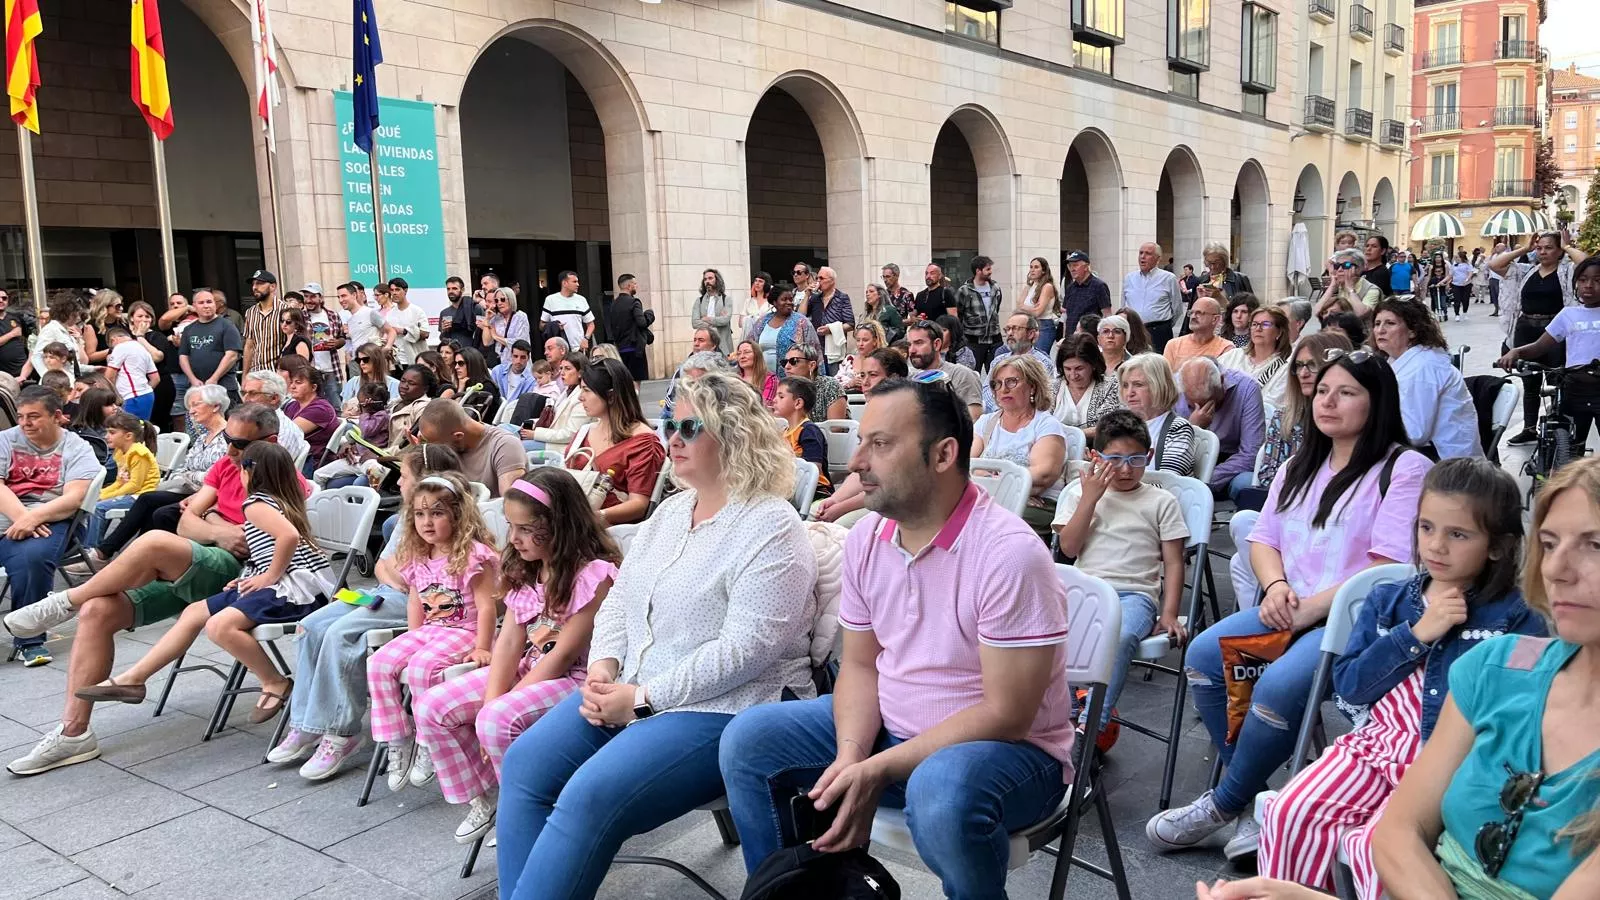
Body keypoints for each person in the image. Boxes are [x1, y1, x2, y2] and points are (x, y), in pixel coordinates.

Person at [720, 376, 1075, 899]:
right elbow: (861, 667)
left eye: (880, 444)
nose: (857, 460)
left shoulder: (1008, 553)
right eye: (861, 441)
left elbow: (1007, 714)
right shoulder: (867, 538)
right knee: (749, 742)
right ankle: (796, 893)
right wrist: (850, 754)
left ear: (943, 454)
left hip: (1007, 753)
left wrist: (876, 768)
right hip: (894, 726)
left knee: (942, 794)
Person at [496, 371, 819, 900]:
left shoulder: (771, 525)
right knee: (526, 765)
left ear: (733, 433)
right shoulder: (671, 512)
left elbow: (748, 650)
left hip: (726, 707)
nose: (673, 438)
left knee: (588, 796)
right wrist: (603, 665)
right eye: (672, 423)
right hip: (633, 689)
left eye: (690, 427)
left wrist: (642, 700)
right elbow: (622, 599)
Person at [1148, 350, 1432, 861]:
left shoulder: (1404, 468)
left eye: (1346, 392)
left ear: (1378, 401)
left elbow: (1389, 566)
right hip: (1286, 607)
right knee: (1205, 659)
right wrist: (1276, 586)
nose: (1328, 401)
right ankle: (1257, 800)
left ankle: (1225, 802)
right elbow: (1263, 538)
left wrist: (1307, 610)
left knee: (1276, 686)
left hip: (1355, 624)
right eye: (1323, 390)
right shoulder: (1303, 463)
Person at [1259, 459, 1541, 899]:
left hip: (1445, 763)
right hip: (1372, 747)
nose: (1436, 546)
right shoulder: (1388, 600)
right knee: (1290, 812)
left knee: (1377, 849)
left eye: (1458, 534)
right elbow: (1349, 686)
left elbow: (1524, 715)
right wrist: (1416, 635)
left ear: (1498, 547)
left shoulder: (1517, 621)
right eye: (1426, 528)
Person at [2, 403, 303, 772]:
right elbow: (186, 522)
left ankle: (65, 602)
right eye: (226, 440)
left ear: (270, 442)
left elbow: (259, 537)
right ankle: (74, 732)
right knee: (98, 610)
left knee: (155, 542)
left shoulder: (279, 476)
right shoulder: (227, 466)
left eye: (239, 444)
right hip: (195, 558)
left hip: (237, 572)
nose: (229, 451)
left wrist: (205, 519)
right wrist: (219, 528)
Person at [1372, 457, 1600, 899]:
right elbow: (1398, 830)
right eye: (1550, 544)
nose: (1556, 569)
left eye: (1596, 545)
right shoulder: (1495, 666)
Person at [414, 468, 621, 844]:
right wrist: (492, 701)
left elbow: (561, 655)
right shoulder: (529, 569)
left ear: (560, 524)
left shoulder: (594, 576)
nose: (514, 538)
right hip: (532, 667)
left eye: (525, 528)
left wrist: (495, 710)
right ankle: (489, 797)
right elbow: (509, 642)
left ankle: (526, 810)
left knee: (497, 719)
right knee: (431, 707)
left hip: (575, 680)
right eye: (511, 526)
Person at [74, 441, 333, 722]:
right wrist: (251, 577)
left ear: (250, 472)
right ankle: (134, 679)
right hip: (289, 583)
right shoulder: (277, 502)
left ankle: (274, 681)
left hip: (293, 590)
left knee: (219, 626)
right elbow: (269, 549)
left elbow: (288, 538)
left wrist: (268, 576)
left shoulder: (257, 504)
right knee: (194, 611)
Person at [265, 445, 461, 780]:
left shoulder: (439, 522)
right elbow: (384, 567)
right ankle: (307, 723)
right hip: (385, 592)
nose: (398, 482)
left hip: (418, 601)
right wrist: (390, 573)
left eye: (406, 475)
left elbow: (408, 578)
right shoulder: (407, 516)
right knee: (311, 626)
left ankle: (342, 732)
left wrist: (395, 574)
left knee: (342, 634)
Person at [367, 471, 500, 793]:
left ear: (458, 514)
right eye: (420, 514)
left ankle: (428, 742)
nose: (427, 522)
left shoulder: (471, 556)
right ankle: (399, 736)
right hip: (431, 630)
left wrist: (483, 646)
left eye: (437, 513)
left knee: (424, 667)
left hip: (465, 630)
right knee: (379, 663)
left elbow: (486, 607)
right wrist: (413, 638)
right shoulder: (418, 554)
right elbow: (415, 600)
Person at [1054, 407, 1188, 726]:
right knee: (1053, 627)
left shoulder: (1160, 501)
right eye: (1114, 460)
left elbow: (1174, 561)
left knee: (1122, 634)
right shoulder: (1079, 494)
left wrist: (1168, 613)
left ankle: (1093, 720)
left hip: (1135, 595)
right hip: (1087, 592)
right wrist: (1089, 500)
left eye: (1136, 459)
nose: (1126, 470)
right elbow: (1069, 548)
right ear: (1094, 456)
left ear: (1149, 455)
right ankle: (1067, 708)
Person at [0, 387, 104, 665]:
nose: (25, 423)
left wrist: (36, 518)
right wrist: (25, 517)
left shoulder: (76, 447)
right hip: (13, 515)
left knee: (32, 558)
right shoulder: (5, 441)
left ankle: (30, 639)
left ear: (57, 416)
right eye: (21, 416)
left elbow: (75, 498)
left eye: (34, 416)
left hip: (55, 520)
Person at [1235, 332, 1354, 510]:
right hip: (1289, 503)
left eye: (1312, 365)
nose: (1304, 373)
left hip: (1343, 505)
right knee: (1243, 519)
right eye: (1299, 366)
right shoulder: (1284, 417)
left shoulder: (1352, 418)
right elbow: (1268, 474)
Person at [1494, 233, 1589, 445]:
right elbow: (1495, 264)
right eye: (1539, 248)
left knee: (1558, 381)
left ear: (1558, 252)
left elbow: (1585, 262)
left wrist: (1568, 246)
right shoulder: (1527, 271)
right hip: (1526, 327)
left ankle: (1558, 429)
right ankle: (1529, 429)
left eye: (1548, 248)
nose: (1543, 252)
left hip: (1554, 332)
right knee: (1530, 382)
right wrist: (1523, 250)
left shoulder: (1566, 272)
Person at [1370, 298, 1481, 460]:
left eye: (1390, 323)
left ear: (1412, 330)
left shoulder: (1423, 367)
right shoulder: (1400, 361)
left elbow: (1415, 433)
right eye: (1377, 323)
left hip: (1445, 464)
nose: (1380, 330)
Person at [563, 358, 665, 525]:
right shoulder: (584, 432)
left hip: (609, 533)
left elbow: (639, 504)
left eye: (587, 390)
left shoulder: (643, 442)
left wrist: (593, 518)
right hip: (575, 523)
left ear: (610, 396)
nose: (580, 397)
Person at [973, 355, 1067, 537]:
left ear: (1032, 386)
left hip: (1037, 504)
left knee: (982, 522)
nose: (1003, 389)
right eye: (997, 384)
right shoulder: (985, 423)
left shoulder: (1046, 425)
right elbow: (966, 469)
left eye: (1011, 382)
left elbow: (1044, 474)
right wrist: (1015, 489)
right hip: (991, 501)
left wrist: (990, 478)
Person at [1177, 356, 1266, 499]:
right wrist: (1193, 429)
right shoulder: (1178, 385)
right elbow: (1170, 447)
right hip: (1188, 458)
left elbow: (1251, 453)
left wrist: (1206, 479)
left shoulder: (1247, 388)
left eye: (1207, 402)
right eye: (1191, 404)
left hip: (1231, 462)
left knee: (1246, 483)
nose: (1199, 409)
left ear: (1222, 382)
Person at [416, 399, 527, 498]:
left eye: (435, 445)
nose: (432, 449)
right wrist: (419, 457)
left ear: (458, 436)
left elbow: (511, 503)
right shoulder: (449, 444)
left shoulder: (505, 446)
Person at [83, 412, 158, 549]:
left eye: (111, 432)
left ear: (128, 436)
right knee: (93, 502)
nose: (106, 436)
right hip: (130, 493)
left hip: (140, 496)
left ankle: (91, 549)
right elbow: (119, 482)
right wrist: (100, 494)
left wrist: (104, 497)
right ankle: (92, 545)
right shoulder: (120, 452)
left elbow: (135, 485)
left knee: (99, 508)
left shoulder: (138, 454)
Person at [1120, 352, 1196, 478]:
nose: (1129, 393)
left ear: (1159, 386)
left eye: (1138, 385)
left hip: (1159, 496)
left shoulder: (1178, 428)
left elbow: (1167, 482)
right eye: (1125, 385)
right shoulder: (1121, 424)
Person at [312, 382, 390, 488]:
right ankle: (320, 500)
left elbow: (366, 430)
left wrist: (365, 412)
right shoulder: (366, 417)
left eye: (361, 403)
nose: (359, 406)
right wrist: (349, 444)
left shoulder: (382, 416)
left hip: (369, 459)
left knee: (373, 469)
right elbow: (357, 435)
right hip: (356, 458)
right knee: (319, 475)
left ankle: (374, 492)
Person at [178, 288, 243, 409]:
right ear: (194, 306)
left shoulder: (227, 325)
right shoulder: (189, 329)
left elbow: (232, 355)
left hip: (223, 387)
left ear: (215, 304)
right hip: (197, 389)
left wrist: (214, 378)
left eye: (209, 302)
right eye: (201, 303)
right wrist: (192, 379)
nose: (206, 306)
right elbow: (183, 356)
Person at [906, 320, 982, 420]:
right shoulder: (908, 378)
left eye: (918, 343)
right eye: (909, 345)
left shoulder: (960, 375)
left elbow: (973, 420)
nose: (912, 350)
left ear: (936, 344)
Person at [981, 312, 1056, 413]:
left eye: (1016, 328)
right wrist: (1001, 409)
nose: (1010, 333)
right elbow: (987, 390)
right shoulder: (998, 360)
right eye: (1007, 329)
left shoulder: (1042, 363)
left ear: (1031, 334)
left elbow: (1045, 395)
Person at [1219, 306, 1292, 409]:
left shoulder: (1284, 370)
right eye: (1254, 324)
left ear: (1279, 332)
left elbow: (1271, 407)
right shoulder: (1233, 355)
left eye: (1265, 324)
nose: (1258, 329)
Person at [772, 377, 832, 499]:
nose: (774, 400)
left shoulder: (808, 431)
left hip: (815, 493)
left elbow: (812, 470)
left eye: (781, 397)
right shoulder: (783, 432)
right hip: (790, 490)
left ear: (798, 403)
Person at [278, 357, 339, 475]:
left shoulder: (320, 409)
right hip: (293, 457)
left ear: (313, 387)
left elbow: (288, 434)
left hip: (310, 463)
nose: (292, 387)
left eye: (298, 383)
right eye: (291, 383)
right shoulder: (293, 405)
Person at [519, 357, 591, 455]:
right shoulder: (567, 391)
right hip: (549, 437)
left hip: (561, 447)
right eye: (561, 368)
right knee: (505, 429)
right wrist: (532, 423)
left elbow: (570, 435)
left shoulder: (582, 397)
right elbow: (554, 418)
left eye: (567, 368)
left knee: (518, 446)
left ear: (580, 373)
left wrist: (535, 434)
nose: (562, 372)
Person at [1053, 333, 1120, 437]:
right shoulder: (1053, 387)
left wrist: (1069, 434)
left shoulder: (1110, 387)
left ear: (1093, 364)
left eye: (1079, 368)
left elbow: (1109, 425)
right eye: (1067, 369)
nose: (1073, 375)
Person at [1124, 242, 1184, 350]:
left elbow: (1177, 308)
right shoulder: (1129, 278)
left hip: (1159, 332)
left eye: (1148, 253)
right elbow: (1124, 305)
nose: (1143, 256)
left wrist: (1163, 325)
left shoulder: (1168, 278)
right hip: (1133, 331)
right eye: (1141, 253)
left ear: (1158, 258)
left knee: (1158, 364)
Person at [954, 255, 1003, 370]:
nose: (991, 272)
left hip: (995, 339)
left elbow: (997, 308)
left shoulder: (995, 287)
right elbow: (958, 314)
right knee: (973, 373)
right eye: (988, 269)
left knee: (996, 373)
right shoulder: (964, 290)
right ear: (978, 271)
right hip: (973, 341)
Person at [101, 325, 158, 421]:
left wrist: (112, 399)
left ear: (113, 340)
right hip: (147, 395)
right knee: (141, 429)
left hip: (131, 398)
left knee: (127, 430)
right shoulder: (142, 348)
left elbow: (109, 377)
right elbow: (155, 378)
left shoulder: (120, 347)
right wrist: (142, 392)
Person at [780, 343, 849, 421]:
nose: (787, 367)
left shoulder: (830, 386)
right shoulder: (785, 390)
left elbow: (836, 428)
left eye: (794, 361)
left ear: (812, 365)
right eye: (785, 362)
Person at [1164, 297, 1234, 371]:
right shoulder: (1173, 345)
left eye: (1199, 313)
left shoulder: (1226, 348)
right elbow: (1165, 379)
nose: (1193, 317)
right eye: (1191, 313)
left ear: (1215, 319)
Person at [604, 274, 651, 382]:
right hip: (635, 348)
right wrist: (649, 315)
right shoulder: (634, 302)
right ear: (629, 286)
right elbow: (642, 323)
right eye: (635, 284)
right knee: (636, 381)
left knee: (625, 381)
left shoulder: (614, 304)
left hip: (620, 348)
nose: (636, 286)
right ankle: (635, 399)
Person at [1060, 249, 1113, 338]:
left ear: (1086, 267)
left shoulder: (1099, 286)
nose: (1072, 269)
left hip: (1089, 339)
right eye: (1070, 266)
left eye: (1076, 265)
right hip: (1071, 338)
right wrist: (1064, 339)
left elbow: (1107, 315)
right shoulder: (1070, 288)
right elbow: (1066, 316)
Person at [1319, 248, 1383, 320]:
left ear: (1359, 269)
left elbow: (1360, 313)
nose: (1339, 269)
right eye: (1337, 265)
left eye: (1346, 265)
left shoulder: (1371, 290)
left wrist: (1350, 289)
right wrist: (1332, 287)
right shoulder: (1338, 287)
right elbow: (1318, 311)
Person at [241, 270, 283, 375]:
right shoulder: (250, 312)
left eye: (260, 283)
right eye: (253, 284)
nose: (255, 287)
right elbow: (249, 346)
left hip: (278, 373)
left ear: (272, 286)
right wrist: (245, 376)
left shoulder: (286, 310)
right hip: (257, 373)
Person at [541, 271, 595, 354]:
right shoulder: (550, 300)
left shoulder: (581, 300)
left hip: (578, 349)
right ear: (564, 283)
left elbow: (591, 324)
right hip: (557, 350)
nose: (578, 284)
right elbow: (541, 325)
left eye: (577, 281)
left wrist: (586, 339)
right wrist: (555, 326)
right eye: (574, 282)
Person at [478, 286, 530, 367]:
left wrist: (496, 336)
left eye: (502, 299)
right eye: (496, 300)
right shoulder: (495, 318)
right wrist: (487, 320)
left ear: (511, 299)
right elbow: (487, 342)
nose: (499, 303)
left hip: (520, 363)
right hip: (502, 363)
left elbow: (520, 343)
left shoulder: (520, 316)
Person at [1020, 256, 1062, 352]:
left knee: (1039, 358)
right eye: (1031, 267)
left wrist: (1025, 308)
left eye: (1036, 267)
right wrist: (1030, 308)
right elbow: (1019, 306)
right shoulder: (1030, 286)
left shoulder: (1047, 286)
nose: (1032, 270)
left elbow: (1038, 312)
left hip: (1044, 326)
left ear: (1043, 270)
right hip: (1029, 325)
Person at [451, 346, 502, 423]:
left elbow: (473, 418)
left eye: (461, 363)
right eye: (455, 363)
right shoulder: (465, 383)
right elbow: (451, 413)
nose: (456, 367)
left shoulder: (487, 387)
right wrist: (460, 388)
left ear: (472, 364)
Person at [691, 268, 733, 353]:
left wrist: (707, 319)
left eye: (710, 278)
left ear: (717, 280)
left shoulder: (726, 299)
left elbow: (725, 320)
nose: (707, 281)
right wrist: (716, 322)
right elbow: (695, 323)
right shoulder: (699, 301)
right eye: (705, 279)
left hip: (723, 344)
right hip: (705, 346)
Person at [836, 321, 885, 392]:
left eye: (865, 340)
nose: (860, 344)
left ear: (875, 341)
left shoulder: (882, 360)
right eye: (858, 340)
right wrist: (850, 383)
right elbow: (835, 382)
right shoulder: (849, 359)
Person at [490, 340, 538, 407]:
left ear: (528, 358)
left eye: (523, 357)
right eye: (515, 356)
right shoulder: (498, 371)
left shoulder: (532, 380)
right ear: (511, 356)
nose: (518, 361)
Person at [734, 339, 778, 407]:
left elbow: (765, 406)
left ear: (757, 355)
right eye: (739, 353)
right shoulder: (734, 380)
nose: (742, 356)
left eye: (747, 352)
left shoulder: (770, 379)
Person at [0, 287, 31, 378]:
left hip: (22, 370)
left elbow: (29, 338)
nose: (1, 301)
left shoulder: (16, 317)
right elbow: (16, 333)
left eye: (4, 298)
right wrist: (12, 334)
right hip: (3, 374)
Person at [1448, 251, 1474, 322]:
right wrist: (1444, 282)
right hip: (1456, 284)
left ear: (1461, 258)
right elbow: (1450, 275)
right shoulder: (1454, 265)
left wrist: (1467, 279)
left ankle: (1465, 312)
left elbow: (1470, 273)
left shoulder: (1467, 264)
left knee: (1465, 299)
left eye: (1457, 257)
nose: (1455, 258)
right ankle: (1457, 314)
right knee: (1457, 300)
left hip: (1466, 285)